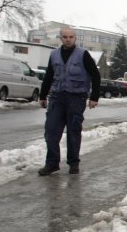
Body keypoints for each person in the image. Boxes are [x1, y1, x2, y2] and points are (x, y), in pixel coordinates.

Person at [37, 27, 101, 176]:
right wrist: (42, 95)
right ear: (61, 38)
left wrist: (94, 97)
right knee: (51, 131)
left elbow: (95, 75)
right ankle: (52, 163)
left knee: (73, 131)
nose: (68, 39)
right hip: (57, 97)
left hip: (76, 98)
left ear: (75, 38)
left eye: (71, 36)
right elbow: (49, 76)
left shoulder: (83, 54)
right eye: (65, 37)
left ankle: (73, 163)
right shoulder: (54, 55)